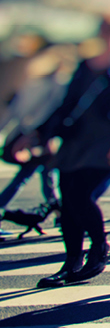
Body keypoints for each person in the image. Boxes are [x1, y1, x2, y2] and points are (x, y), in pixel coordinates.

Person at [24, 16, 110, 288]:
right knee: (68, 201)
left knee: (82, 195)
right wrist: (41, 133)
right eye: (104, 29)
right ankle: (71, 263)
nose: (106, 35)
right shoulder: (86, 64)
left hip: (108, 139)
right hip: (77, 138)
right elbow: (67, 104)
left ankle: (100, 248)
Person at [0, 38, 67, 214]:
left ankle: (61, 212)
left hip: (32, 134)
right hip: (37, 137)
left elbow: (16, 109)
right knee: (31, 176)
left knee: (45, 176)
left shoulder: (35, 81)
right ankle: (61, 213)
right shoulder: (56, 84)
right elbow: (44, 112)